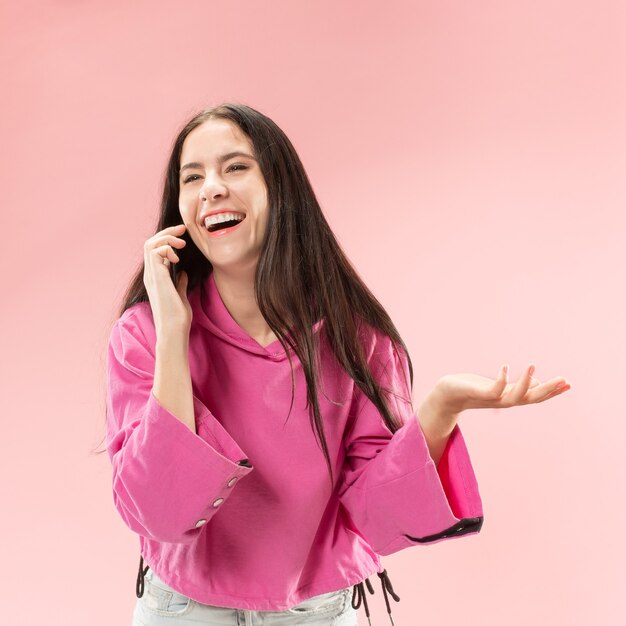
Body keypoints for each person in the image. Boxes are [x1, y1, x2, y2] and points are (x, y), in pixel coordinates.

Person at [104, 102, 571, 626]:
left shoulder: (357, 342)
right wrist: (173, 333)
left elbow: (376, 517)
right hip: (182, 609)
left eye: (235, 166)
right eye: (193, 177)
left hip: (317, 612)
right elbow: (157, 513)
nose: (211, 187)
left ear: (281, 189)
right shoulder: (143, 335)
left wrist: (441, 408)